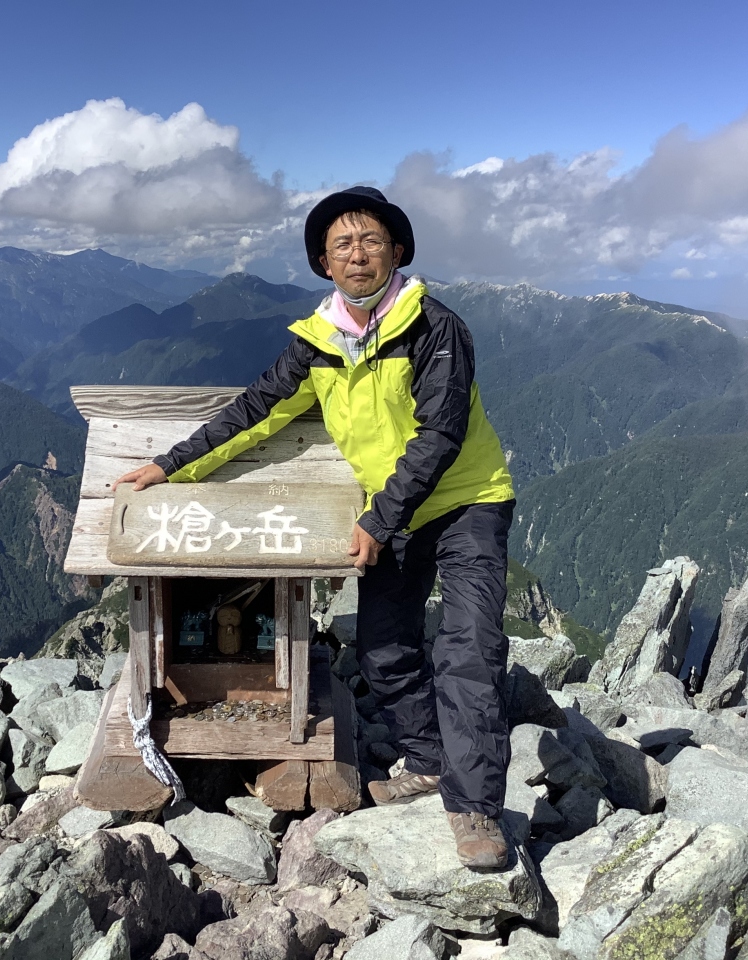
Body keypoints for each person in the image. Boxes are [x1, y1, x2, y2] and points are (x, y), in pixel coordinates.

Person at [118, 186, 517, 870]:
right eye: (342, 244)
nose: (357, 253)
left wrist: (378, 518)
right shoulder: (320, 344)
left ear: (397, 251)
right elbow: (255, 412)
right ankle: (425, 759)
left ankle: (474, 807)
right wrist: (167, 465)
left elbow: (441, 434)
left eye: (371, 241)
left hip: (467, 501)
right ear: (324, 264)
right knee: (387, 649)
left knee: (468, 650)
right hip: (392, 517)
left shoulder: (435, 329)